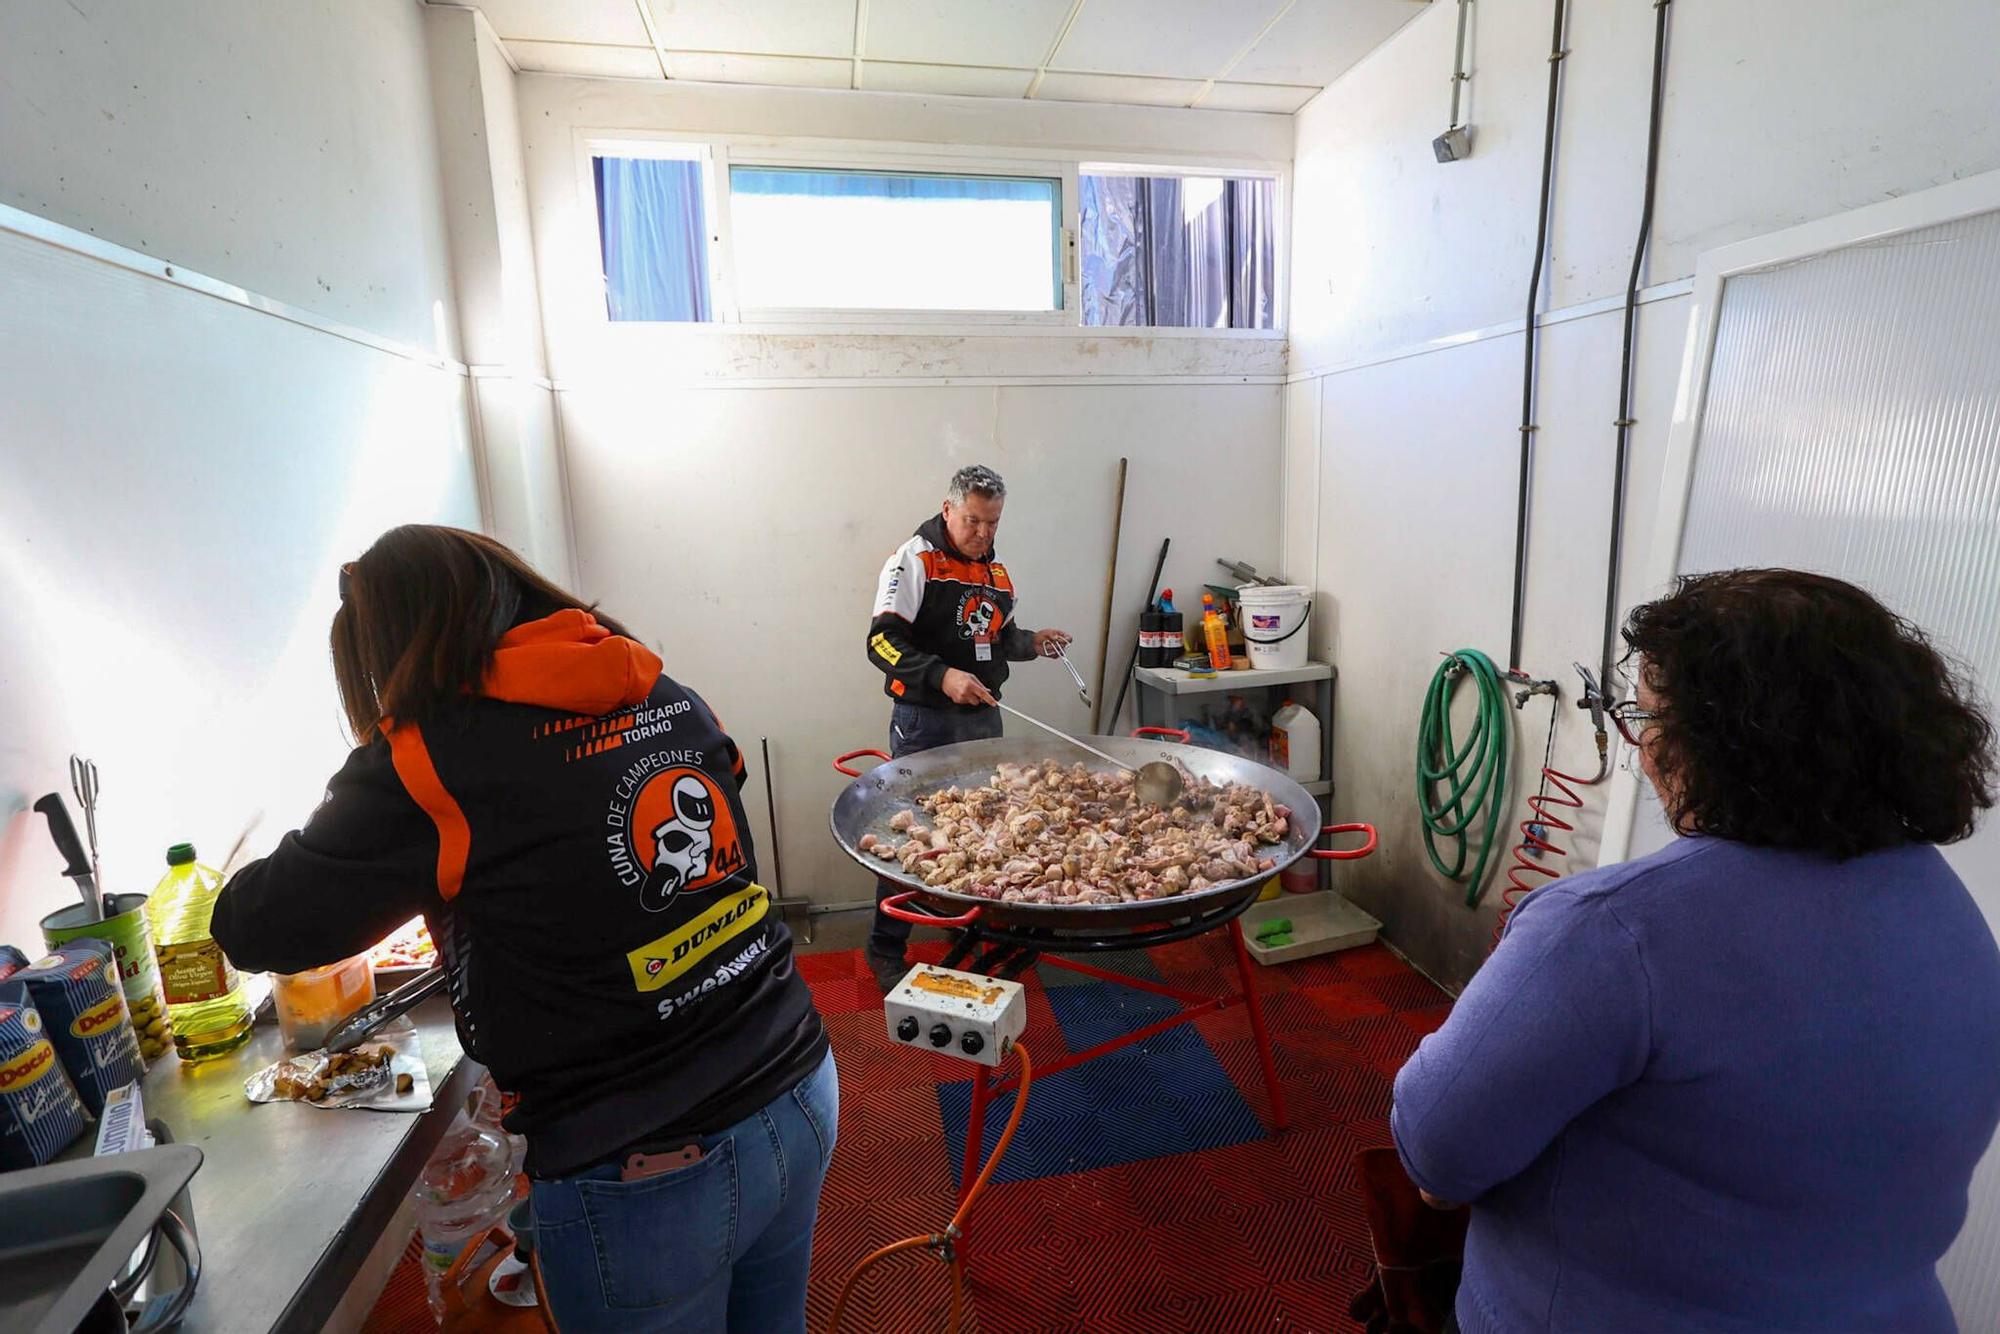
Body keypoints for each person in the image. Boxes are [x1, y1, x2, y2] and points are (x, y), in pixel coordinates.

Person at [210, 525, 835, 1334]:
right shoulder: (657, 683)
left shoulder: (430, 755)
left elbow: (255, 926)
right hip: (798, 1076)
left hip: (652, 1161)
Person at [1392, 568, 2000, 1333]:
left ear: (1718, 744)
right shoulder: (1950, 911)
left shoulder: (1610, 932)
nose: (1641, 748)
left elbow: (1437, 1153)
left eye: (1646, 718)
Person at [862, 464, 1072, 990]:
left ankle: (980, 934)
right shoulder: (914, 560)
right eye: (974, 521)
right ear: (949, 508)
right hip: (925, 721)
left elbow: (996, 640)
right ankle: (886, 948)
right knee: (914, 833)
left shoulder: (995, 572)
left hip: (983, 716)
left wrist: (1031, 643)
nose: (984, 534)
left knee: (991, 827)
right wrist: (941, 676)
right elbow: (880, 643)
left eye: (994, 523)